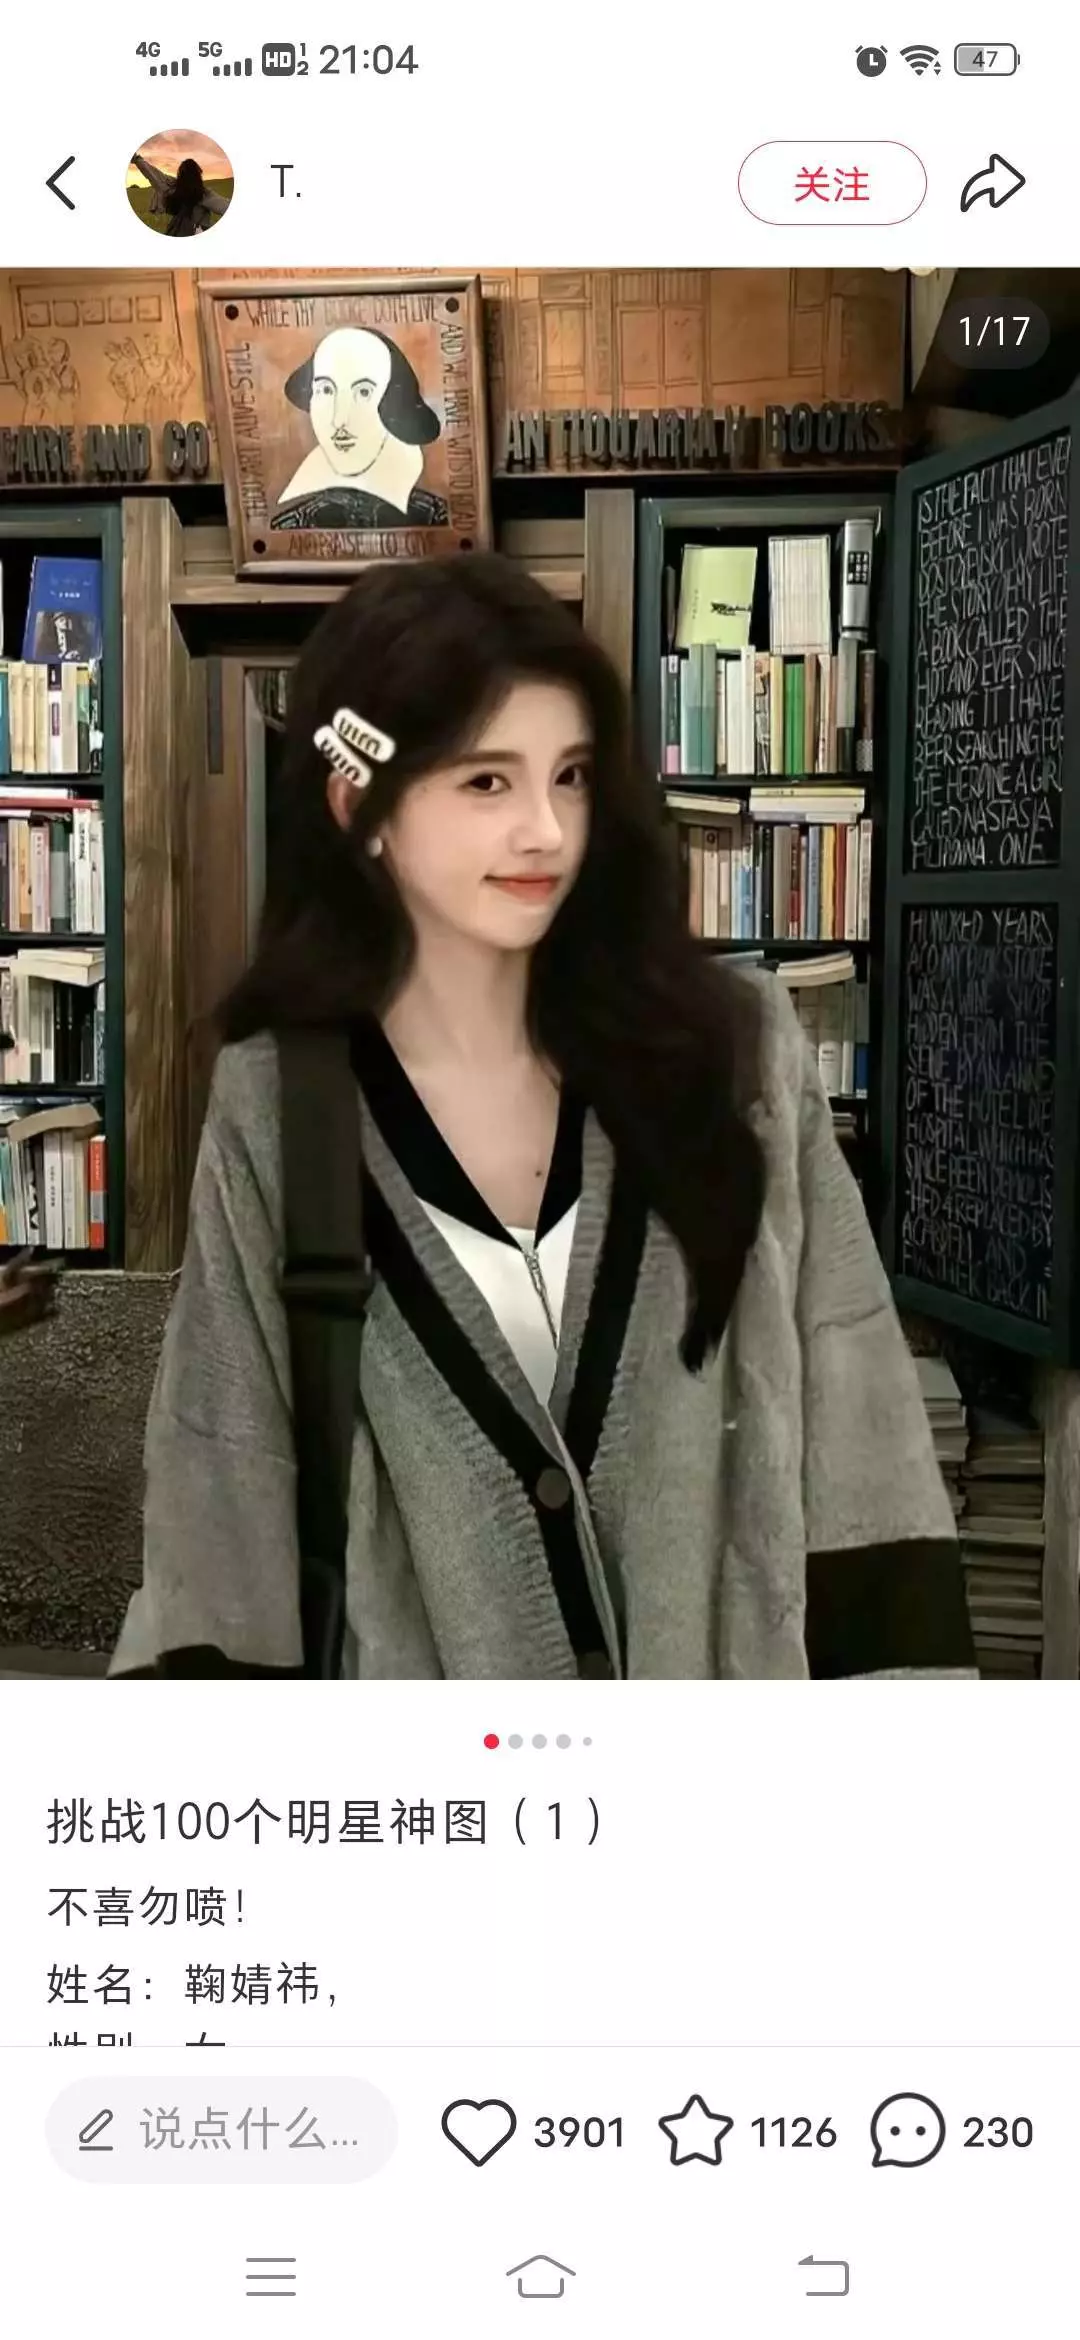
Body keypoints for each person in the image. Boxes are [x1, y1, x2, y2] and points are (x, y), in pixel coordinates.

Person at [110, 552, 976, 1682]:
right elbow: (221, 1507)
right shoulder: (280, 1107)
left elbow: (869, 1455)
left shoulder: (738, 1060)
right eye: (486, 782)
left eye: (569, 776)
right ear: (358, 807)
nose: (548, 831)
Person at [272, 326, 451, 532]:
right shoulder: (291, 526)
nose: (339, 420)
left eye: (364, 392)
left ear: (393, 403)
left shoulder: (435, 517)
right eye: (326, 390)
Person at [129, 151, 230, 238]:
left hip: (176, 232)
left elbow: (152, 173)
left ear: (180, 173)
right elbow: (224, 206)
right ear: (198, 175)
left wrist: (137, 159)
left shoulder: (172, 186)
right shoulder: (204, 194)